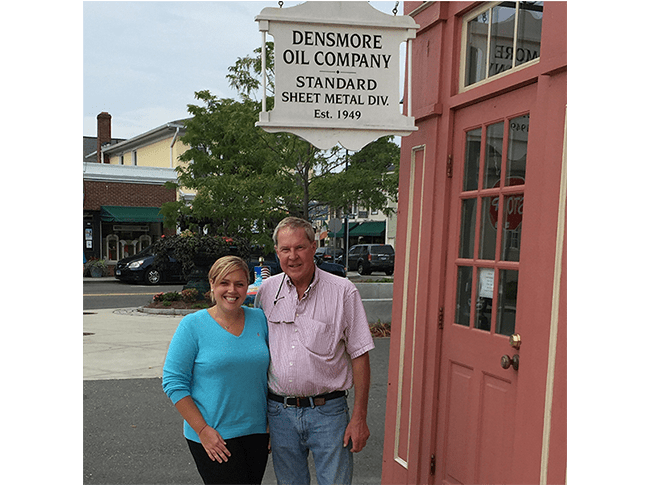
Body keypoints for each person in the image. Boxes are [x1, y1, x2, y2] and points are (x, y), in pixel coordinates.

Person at [255, 217, 374, 485]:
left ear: (314, 247)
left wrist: (359, 418)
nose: (292, 256)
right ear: (277, 252)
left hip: (329, 414)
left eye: (299, 247)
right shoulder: (266, 291)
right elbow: (257, 355)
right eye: (285, 249)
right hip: (279, 413)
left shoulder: (343, 292)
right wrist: (261, 415)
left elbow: (360, 355)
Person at [162, 255, 270, 485]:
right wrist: (202, 430)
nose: (232, 290)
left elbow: (271, 375)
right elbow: (173, 382)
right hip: (214, 435)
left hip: (257, 432)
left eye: (240, 284)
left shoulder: (260, 319)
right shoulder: (192, 326)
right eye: (224, 282)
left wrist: (272, 423)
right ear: (212, 284)